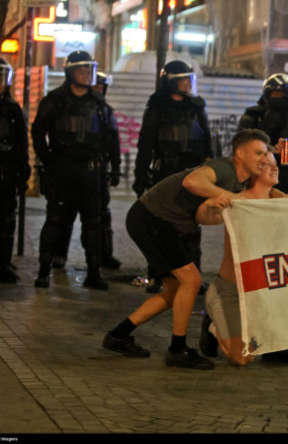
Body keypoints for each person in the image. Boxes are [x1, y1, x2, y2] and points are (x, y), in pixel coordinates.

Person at [102, 128, 269, 370]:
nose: (264, 159)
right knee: (191, 280)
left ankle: (118, 335)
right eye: (258, 153)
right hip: (151, 218)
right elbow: (191, 181)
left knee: (174, 291)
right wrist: (229, 197)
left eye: (266, 154)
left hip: (157, 222)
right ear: (240, 154)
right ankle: (177, 351)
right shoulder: (225, 168)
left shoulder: (238, 182)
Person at [198, 150, 288, 366]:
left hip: (261, 294)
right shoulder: (236, 201)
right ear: (253, 171)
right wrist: (209, 206)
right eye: (267, 164)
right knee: (243, 358)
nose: (275, 167)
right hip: (231, 291)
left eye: (275, 163)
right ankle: (213, 326)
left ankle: (274, 344)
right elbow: (204, 216)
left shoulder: (278, 200)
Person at [32, 51, 113, 290]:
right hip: (62, 168)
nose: (87, 74)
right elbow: (38, 131)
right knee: (55, 220)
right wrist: (47, 158)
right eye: (82, 70)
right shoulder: (55, 100)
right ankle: (44, 271)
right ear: (70, 73)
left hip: (90, 171)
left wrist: (114, 166)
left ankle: (94, 272)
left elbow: (111, 137)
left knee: (93, 223)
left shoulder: (99, 104)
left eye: (90, 70)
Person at [132, 60, 211, 294]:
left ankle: (193, 277)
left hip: (192, 172)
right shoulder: (157, 107)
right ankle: (158, 276)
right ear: (171, 82)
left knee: (192, 227)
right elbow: (145, 143)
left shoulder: (196, 106)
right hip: (165, 171)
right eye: (183, 79)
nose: (187, 83)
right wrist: (141, 175)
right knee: (161, 226)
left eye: (189, 79)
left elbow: (206, 139)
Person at [52, 71, 121, 270]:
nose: (100, 90)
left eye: (102, 87)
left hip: (96, 170)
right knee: (65, 214)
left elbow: (113, 141)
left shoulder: (103, 110)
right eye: (96, 86)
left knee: (100, 217)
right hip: (71, 168)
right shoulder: (70, 106)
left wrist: (115, 167)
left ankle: (103, 256)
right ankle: (58, 255)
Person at [0, 57, 30, 283]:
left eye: (1, 78)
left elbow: (21, 144)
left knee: (3, 224)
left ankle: (0, 265)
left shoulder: (12, 110)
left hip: (3, 174)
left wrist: (23, 174)